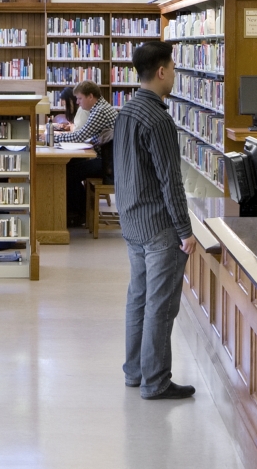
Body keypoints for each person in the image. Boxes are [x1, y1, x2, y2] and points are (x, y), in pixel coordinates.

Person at [112, 41, 198, 400]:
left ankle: (135, 372)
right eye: (174, 69)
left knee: (139, 298)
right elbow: (170, 180)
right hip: (160, 227)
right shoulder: (159, 118)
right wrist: (185, 230)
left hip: (132, 221)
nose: (175, 75)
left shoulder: (126, 111)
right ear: (162, 71)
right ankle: (156, 381)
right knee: (160, 307)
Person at [57, 82, 118, 226]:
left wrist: (55, 138)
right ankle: (77, 211)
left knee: (68, 171)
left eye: (79, 98)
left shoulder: (99, 111)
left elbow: (80, 136)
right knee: (69, 165)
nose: (77, 102)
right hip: (107, 159)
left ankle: (80, 214)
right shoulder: (100, 108)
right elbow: (89, 136)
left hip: (108, 164)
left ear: (90, 96)